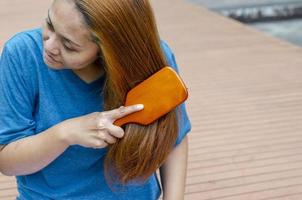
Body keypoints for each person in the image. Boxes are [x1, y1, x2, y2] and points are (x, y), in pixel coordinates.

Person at [0, 0, 191, 199]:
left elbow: (173, 139)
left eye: (69, 45)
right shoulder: (22, 54)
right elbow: (7, 161)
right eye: (49, 23)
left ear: (109, 50)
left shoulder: (151, 59)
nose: (48, 45)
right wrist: (66, 133)